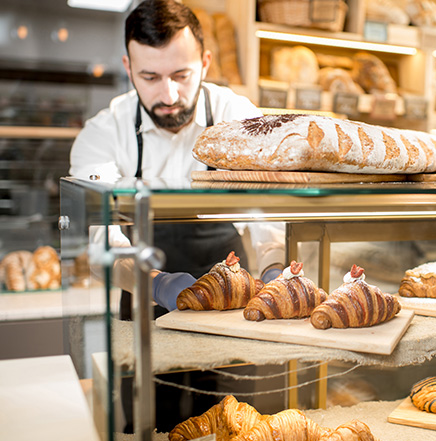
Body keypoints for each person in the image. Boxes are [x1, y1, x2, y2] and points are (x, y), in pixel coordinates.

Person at [69, 0, 284, 432]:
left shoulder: (239, 118)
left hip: (236, 299)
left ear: (205, 62)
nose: (168, 96)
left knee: (235, 418)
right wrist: (158, 284)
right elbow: (101, 240)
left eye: (181, 75)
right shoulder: (103, 132)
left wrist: (276, 272)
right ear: (129, 67)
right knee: (150, 421)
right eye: (150, 77)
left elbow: (269, 212)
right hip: (147, 301)